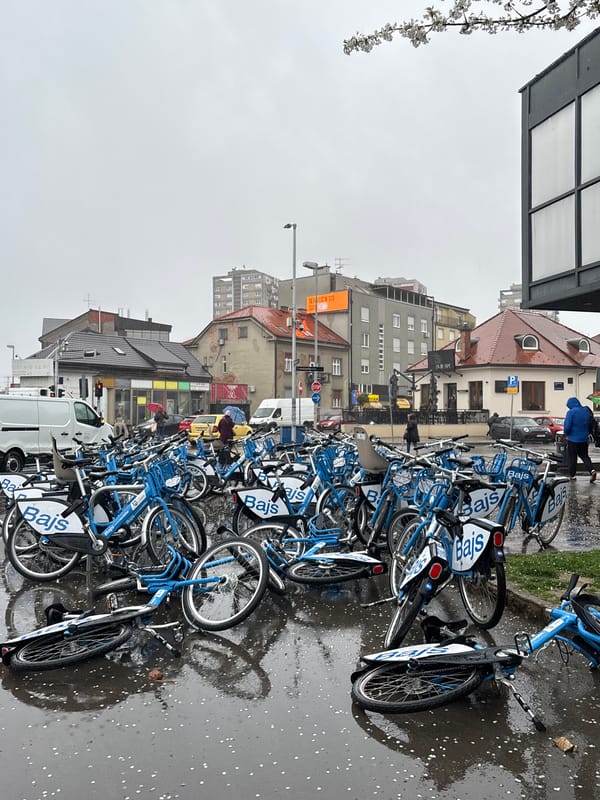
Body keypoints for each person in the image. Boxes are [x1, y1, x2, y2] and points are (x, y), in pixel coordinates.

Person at [563, 397, 597, 482]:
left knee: (572, 458)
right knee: (585, 456)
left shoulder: (571, 412)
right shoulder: (585, 410)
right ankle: (592, 470)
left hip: (573, 440)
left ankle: (572, 475)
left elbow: (567, 426)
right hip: (584, 439)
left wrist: (566, 434)